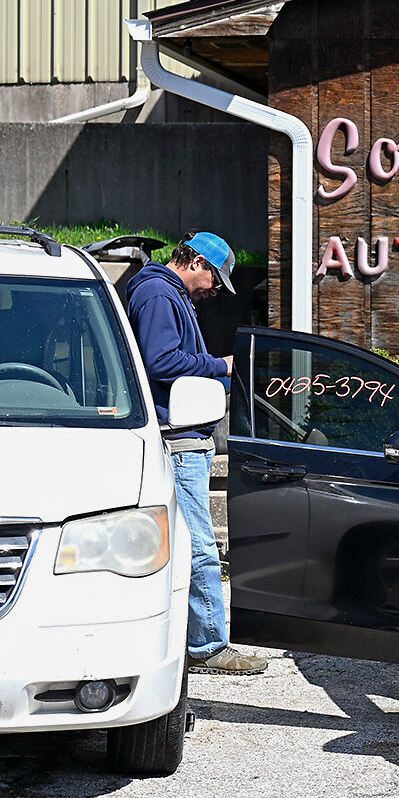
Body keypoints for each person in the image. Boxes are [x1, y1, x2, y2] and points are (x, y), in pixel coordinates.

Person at [125, 232, 268, 676]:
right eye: (214, 281)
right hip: (179, 436)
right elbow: (162, 361)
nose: (213, 291)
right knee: (200, 546)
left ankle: (190, 638)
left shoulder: (164, 295)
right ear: (197, 262)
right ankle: (208, 646)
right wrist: (222, 366)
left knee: (188, 545)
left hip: (185, 434)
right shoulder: (156, 294)